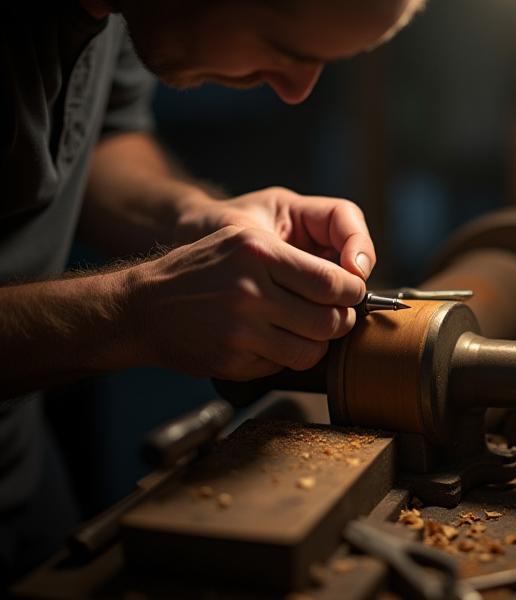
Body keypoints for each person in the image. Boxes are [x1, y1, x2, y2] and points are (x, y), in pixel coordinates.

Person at [0, 0, 425, 582]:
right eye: (284, 46)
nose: (298, 89)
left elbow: (102, 137)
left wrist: (198, 214)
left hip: (23, 467)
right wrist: (132, 311)